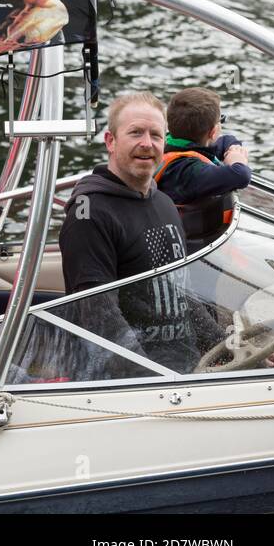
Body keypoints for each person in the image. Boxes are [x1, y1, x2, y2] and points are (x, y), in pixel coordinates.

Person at [58, 92, 221, 375]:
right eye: (135, 133)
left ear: (165, 142)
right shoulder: (90, 213)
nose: (147, 144)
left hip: (188, 370)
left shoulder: (164, 203)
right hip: (136, 384)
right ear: (111, 141)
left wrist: (226, 344)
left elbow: (182, 294)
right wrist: (158, 380)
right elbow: (100, 318)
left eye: (156, 135)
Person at [155, 87, 251, 240]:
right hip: (190, 243)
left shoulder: (171, 142)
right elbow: (241, 175)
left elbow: (227, 140)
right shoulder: (188, 171)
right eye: (222, 120)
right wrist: (237, 161)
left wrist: (233, 149)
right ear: (213, 132)